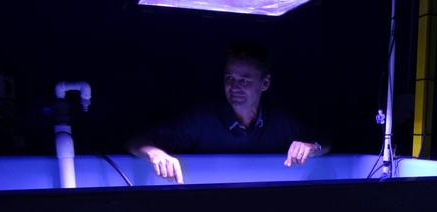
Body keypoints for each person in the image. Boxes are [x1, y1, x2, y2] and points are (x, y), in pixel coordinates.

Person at [128, 41, 328, 183]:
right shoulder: (202, 120)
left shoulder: (281, 122)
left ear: (265, 83)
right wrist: (154, 154)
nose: (234, 87)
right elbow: (137, 141)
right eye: (229, 79)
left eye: (244, 80)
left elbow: (326, 143)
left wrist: (312, 147)